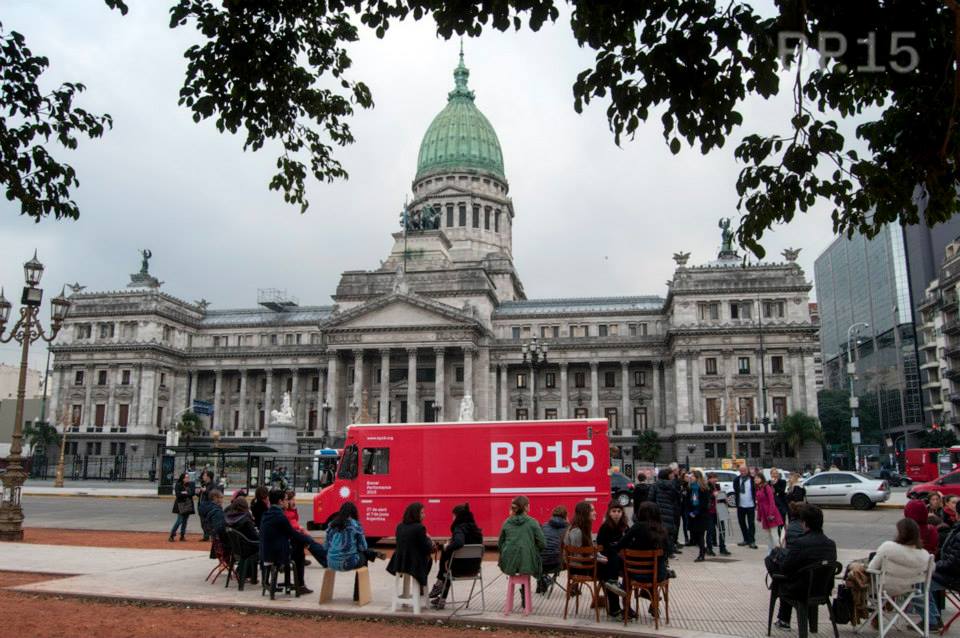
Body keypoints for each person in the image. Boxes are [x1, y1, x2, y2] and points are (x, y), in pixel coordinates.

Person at [766, 504, 837, 631]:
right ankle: (803, 621)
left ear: (804, 523)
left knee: (774, 564)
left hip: (801, 590)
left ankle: (783, 618)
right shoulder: (831, 544)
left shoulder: (801, 543)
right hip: (823, 589)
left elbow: (786, 568)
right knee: (782, 564)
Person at [608, 502, 672, 620]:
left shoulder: (637, 527)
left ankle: (626, 607)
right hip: (657, 574)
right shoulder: (662, 529)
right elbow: (668, 551)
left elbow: (620, 545)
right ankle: (653, 602)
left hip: (635, 573)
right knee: (657, 568)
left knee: (625, 571)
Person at [261, 489, 328, 595]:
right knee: (300, 550)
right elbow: (292, 533)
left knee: (301, 543)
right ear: (280, 501)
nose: (287, 502)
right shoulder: (280, 516)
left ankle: (299, 584)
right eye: (286, 500)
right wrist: (306, 539)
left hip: (267, 552)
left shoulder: (267, 514)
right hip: (277, 555)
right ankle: (300, 585)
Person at [497, 495, 546, 615]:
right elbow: (542, 543)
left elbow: (500, 543)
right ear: (525, 507)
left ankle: (509, 608)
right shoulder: (532, 522)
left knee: (520, 562)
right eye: (528, 504)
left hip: (508, 564)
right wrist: (531, 550)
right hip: (528, 564)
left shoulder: (506, 522)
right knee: (531, 561)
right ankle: (528, 606)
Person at [429, 503, 483, 609]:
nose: (452, 519)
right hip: (474, 569)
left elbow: (459, 543)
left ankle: (439, 583)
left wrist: (447, 546)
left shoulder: (459, 528)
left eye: (453, 516)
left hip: (458, 570)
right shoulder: (476, 530)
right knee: (449, 564)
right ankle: (441, 594)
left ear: (458, 516)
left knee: (447, 558)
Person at [867, 518, 932, 598]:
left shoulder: (888, 547)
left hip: (883, 589)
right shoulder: (925, 555)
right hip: (909, 589)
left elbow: (871, 568)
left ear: (900, 533)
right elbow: (931, 569)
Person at [386, 502, 435, 596]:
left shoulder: (399, 526)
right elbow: (426, 548)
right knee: (429, 560)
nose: (424, 515)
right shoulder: (420, 528)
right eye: (422, 513)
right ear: (416, 514)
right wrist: (429, 540)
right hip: (413, 564)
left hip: (399, 562)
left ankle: (411, 590)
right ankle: (421, 584)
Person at [324, 502, 383, 573]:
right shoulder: (355, 525)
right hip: (347, 563)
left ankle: (374, 553)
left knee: (360, 552)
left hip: (331, 563)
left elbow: (325, 547)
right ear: (354, 513)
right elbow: (363, 547)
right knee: (364, 555)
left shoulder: (332, 524)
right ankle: (360, 581)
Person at [596, 500, 630, 619]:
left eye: (619, 511)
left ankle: (627, 607)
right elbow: (601, 546)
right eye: (614, 511)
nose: (616, 514)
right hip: (606, 562)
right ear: (609, 513)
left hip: (620, 561)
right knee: (610, 576)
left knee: (628, 576)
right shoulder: (605, 527)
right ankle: (615, 609)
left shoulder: (625, 526)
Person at [224, 495, 259, 585]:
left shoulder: (228, 517)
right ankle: (254, 577)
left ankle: (242, 572)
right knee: (260, 546)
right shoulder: (245, 519)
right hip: (247, 549)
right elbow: (254, 536)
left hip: (235, 549)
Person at [647, 468, 681, 556]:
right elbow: (676, 498)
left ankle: (661, 553)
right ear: (667, 476)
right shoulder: (672, 486)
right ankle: (668, 552)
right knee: (669, 533)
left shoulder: (655, 485)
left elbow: (650, 499)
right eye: (671, 474)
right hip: (670, 511)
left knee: (659, 533)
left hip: (658, 513)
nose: (672, 476)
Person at [536, 505, 567, 595]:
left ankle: (542, 581)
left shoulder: (544, 526)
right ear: (565, 516)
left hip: (540, 564)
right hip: (557, 564)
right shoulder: (568, 528)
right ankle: (573, 588)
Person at [683, 470, 710, 562]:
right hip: (692, 515)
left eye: (693, 476)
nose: (691, 478)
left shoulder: (703, 489)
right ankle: (703, 549)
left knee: (700, 535)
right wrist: (689, 512)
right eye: (690, 476)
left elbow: (704, 503)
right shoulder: (690, 488)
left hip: (701, 515)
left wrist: (696, 512)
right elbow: (687, 502)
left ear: (698, 478)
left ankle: (702, 554)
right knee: (695, 535)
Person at [755, 473, 783, 555]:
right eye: (755, 478)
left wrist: (770, 514)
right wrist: (759, 516)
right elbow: (759, 504)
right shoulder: (758, 488)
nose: (756, 479)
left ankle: (779, 553)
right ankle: (771, 553)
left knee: (774, 535)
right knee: (769, 535)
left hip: (771, 513)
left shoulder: (766, 487)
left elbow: (772, 501)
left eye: (758, 478)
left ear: (762, 479)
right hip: (764, 514)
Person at [706, 472, 731, 556]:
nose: (714, 479)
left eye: (715, 478)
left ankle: (722, 548)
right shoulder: (706, 486)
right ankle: (709, 548)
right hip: (710, 511)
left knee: (722, 530)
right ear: (709, 479)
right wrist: (713, 495)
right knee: (710, 531)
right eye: (712, 478)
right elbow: (706, 497)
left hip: (720, 510)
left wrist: (724, 498)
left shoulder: (717, 486)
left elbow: (720, 497)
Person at [733, 464, 757, 549]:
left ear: (748, 470)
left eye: (744, 470)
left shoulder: (752, 479)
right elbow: (736, 491)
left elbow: (756, 491)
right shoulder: (736, 480)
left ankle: (752, 541)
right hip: (740, 505)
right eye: (741, 471)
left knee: (751, 524)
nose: (743, 472)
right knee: (742, 523)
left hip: (750, 505)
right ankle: (746, 539)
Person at [169, 472, 195, 542]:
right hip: (180, 504)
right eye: (186, 477)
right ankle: (172, 534)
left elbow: (192, 493)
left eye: (188, 477)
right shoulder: (178, 484)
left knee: (185, 521)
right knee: (179, 520)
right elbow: (178, 494)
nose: (187, 479)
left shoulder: (191, 484)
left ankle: (182, 536)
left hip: (188, 504)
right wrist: (186, 493)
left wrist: (184, 493)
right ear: (182, 478)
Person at [196, 470, 215, 541]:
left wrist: (205, 491)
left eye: (204, 475)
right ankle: (206, 536)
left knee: (209, 522)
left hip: (208, 506)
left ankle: (212, 536)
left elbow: (213, 495)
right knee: (203, 522)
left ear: (208, 477)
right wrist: (198, 493)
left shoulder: (213, 485)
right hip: (201, 506)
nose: (203, 477)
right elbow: (201, 495)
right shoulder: (204, 484)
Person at [770, 469, 788, 535]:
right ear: (770, 474)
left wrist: (775, 484)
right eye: (773, 473)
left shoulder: (782, 481)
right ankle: (777, 536)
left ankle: (783, 536)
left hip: (781, 504)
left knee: (782, 522)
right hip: (773, 505)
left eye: (776, 473)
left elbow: (782, 491)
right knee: (775, 523)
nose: (774, 475)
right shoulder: (768, 483)